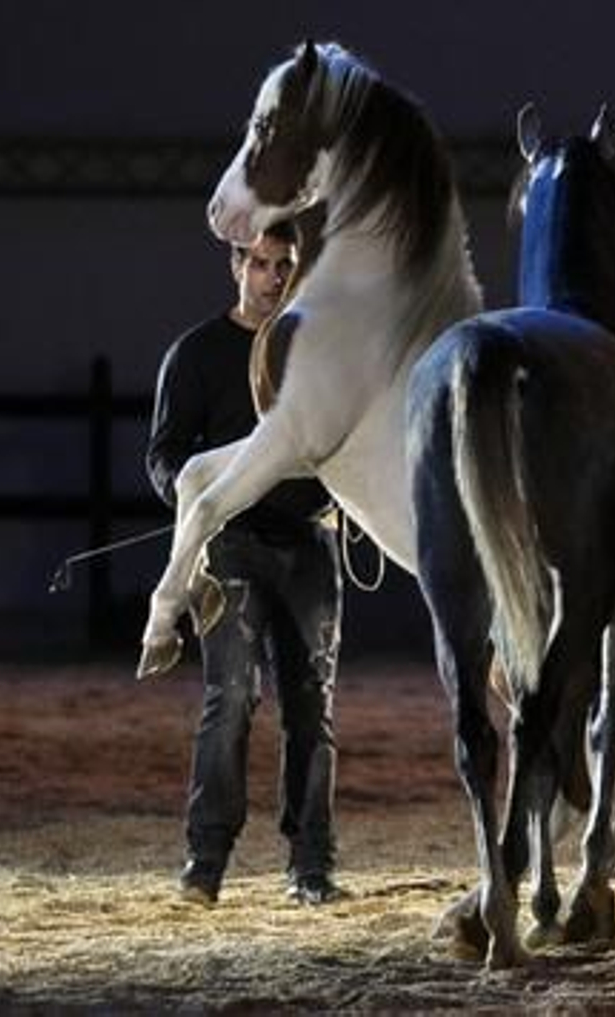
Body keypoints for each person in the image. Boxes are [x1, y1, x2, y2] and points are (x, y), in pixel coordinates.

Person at [146, 220, 345, 906]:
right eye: (259, 263)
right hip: (229, 545)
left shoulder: (318, 356)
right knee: (229, 696)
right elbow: (164, 454)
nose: (273, 277)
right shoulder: (196, 355)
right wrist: (197, 498)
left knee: (311, 705)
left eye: (285, 264)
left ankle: (311, 864)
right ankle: (205, 863)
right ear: (237, 266)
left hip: (310, 543)